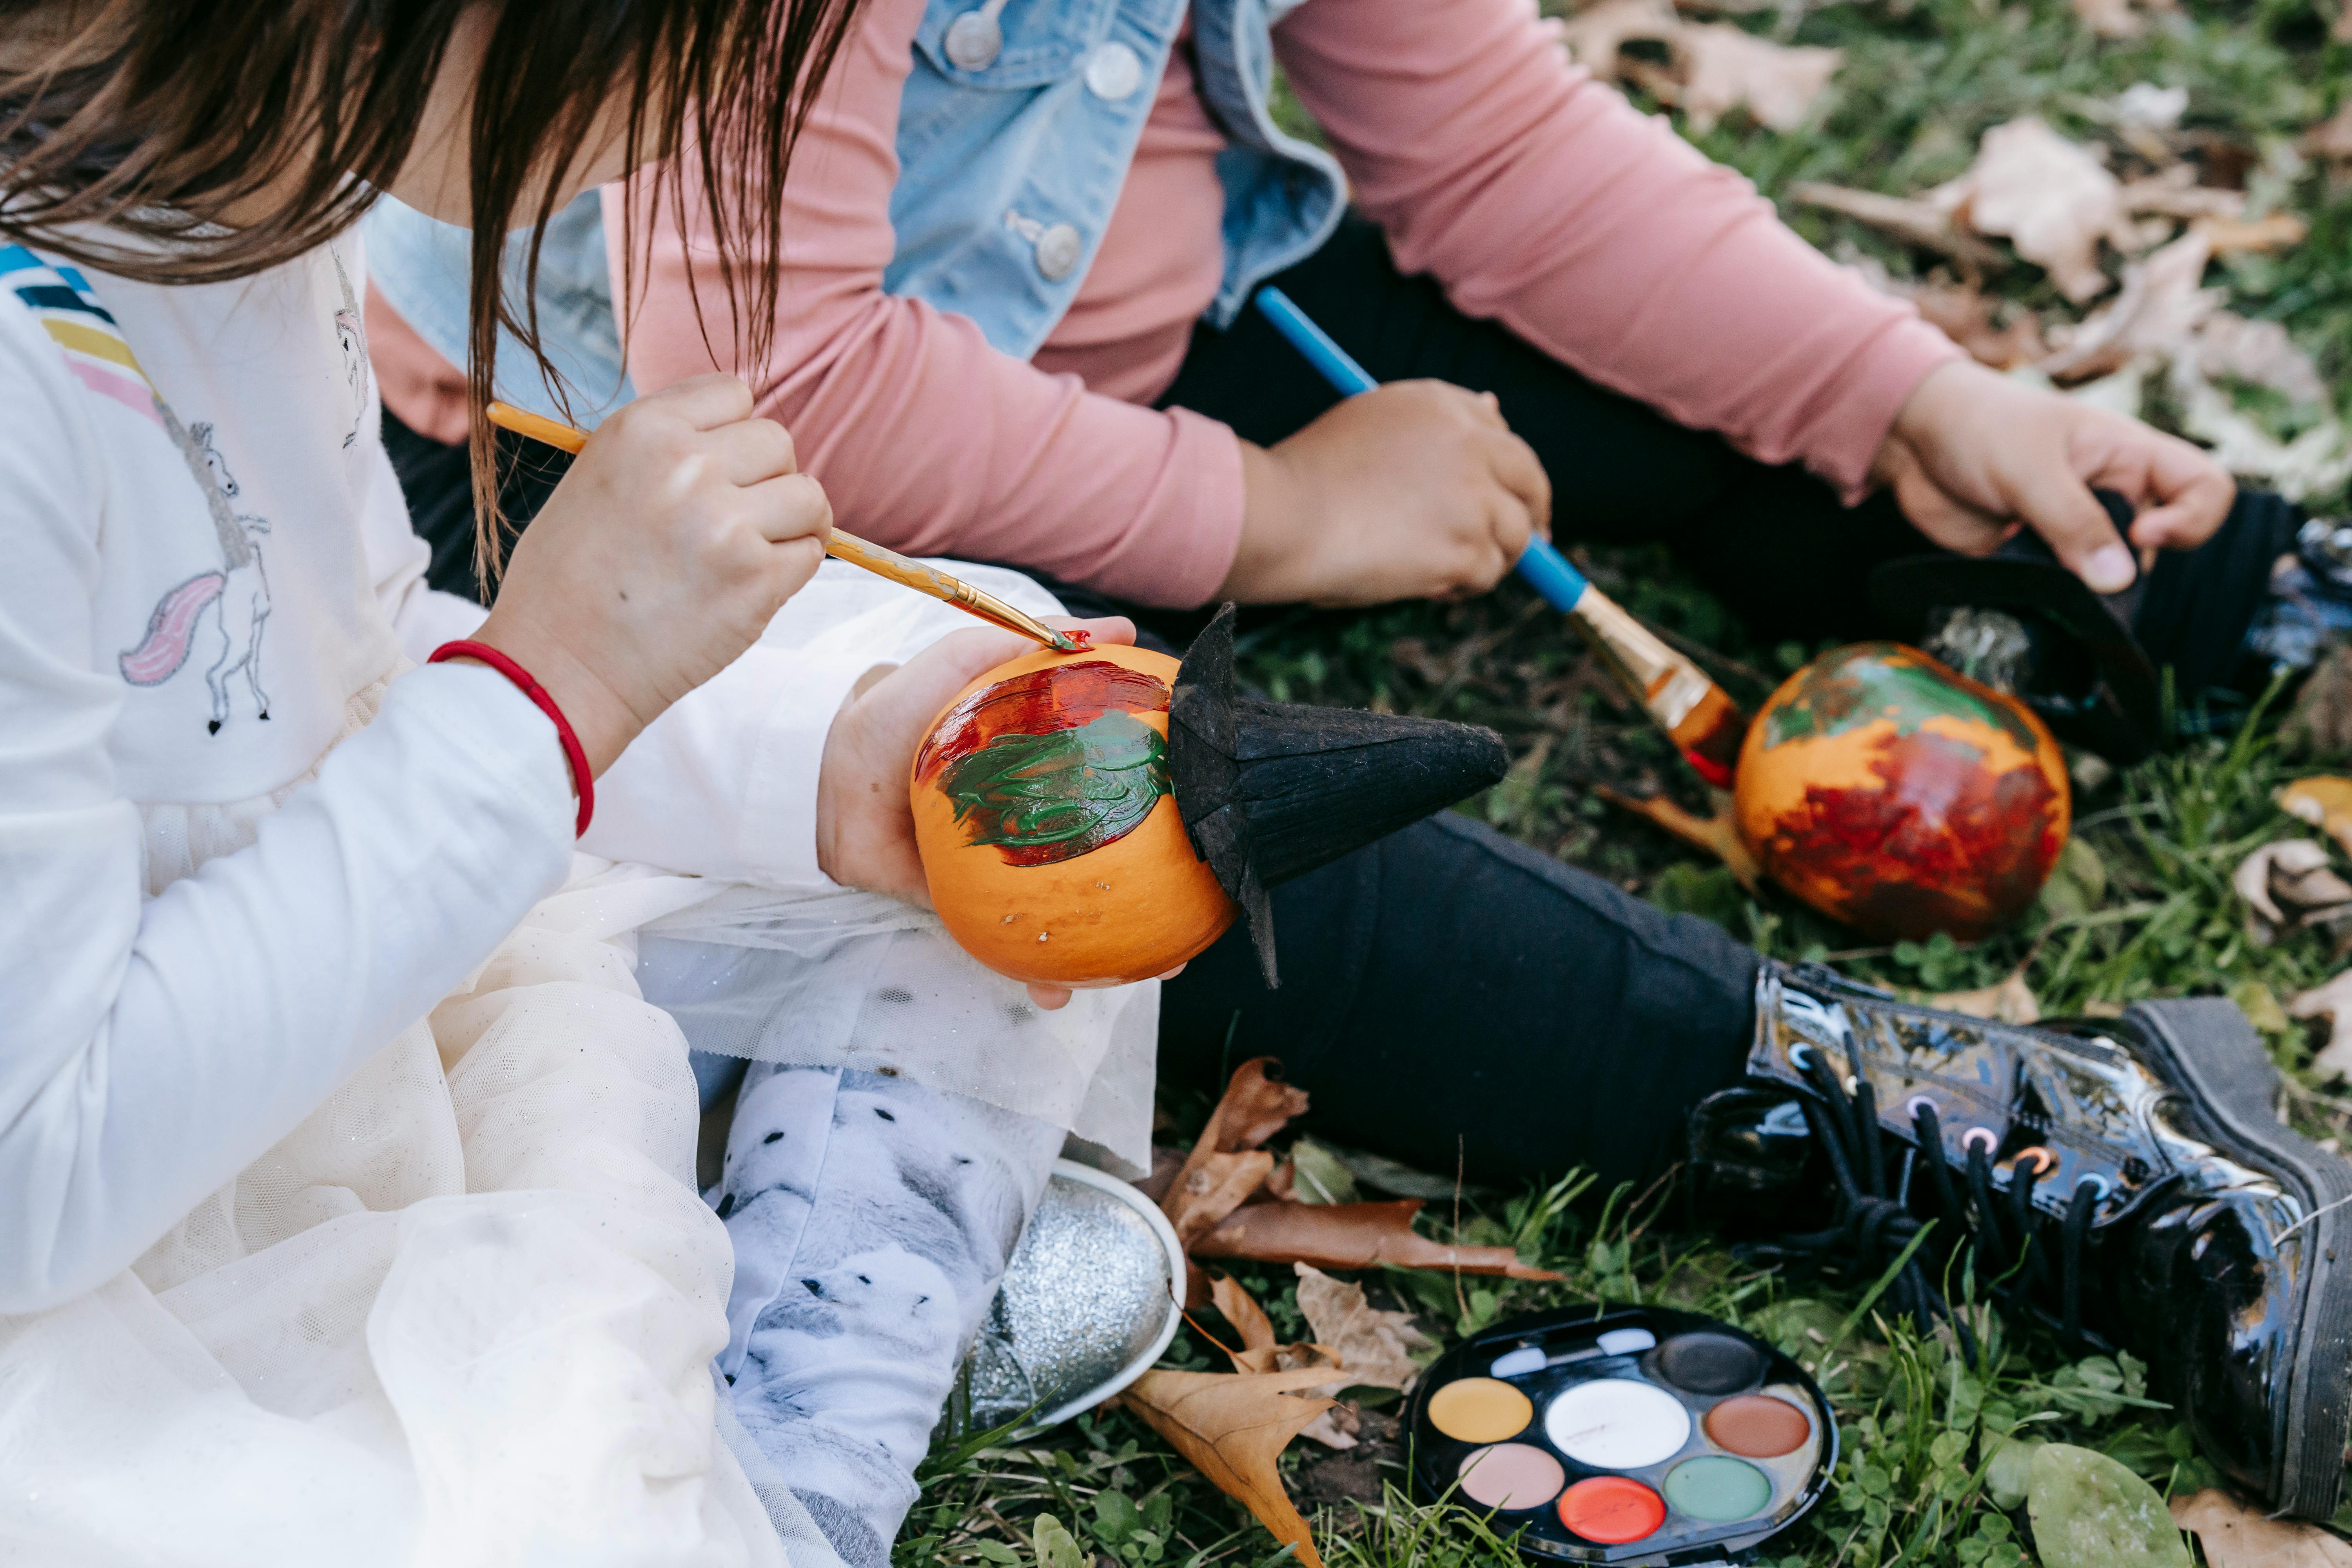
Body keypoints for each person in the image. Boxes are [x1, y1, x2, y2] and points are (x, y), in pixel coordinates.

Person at [0, 2, 1179, 1559]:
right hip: (106, 1234)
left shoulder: (257, 188)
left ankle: (760, 1361)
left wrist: (814, 772)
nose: (731, 94)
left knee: (991, 729)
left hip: (316, 963)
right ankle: (770, 1455)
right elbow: (37, 1174)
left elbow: (329, 681)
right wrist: (558, 689)